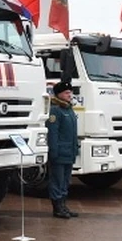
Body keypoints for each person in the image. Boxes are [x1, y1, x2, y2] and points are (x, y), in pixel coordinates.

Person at [47, 81, 79, 219]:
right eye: (66, 93)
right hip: (59, 152)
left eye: (70, 92)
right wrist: (53, 151)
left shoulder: (69, 109)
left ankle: (63, 205)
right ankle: (57, 208)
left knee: (66, 181)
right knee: (57, 181)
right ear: (59, 94)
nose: (69, 95)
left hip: (69, 152)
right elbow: (52, 133)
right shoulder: (55, 110)